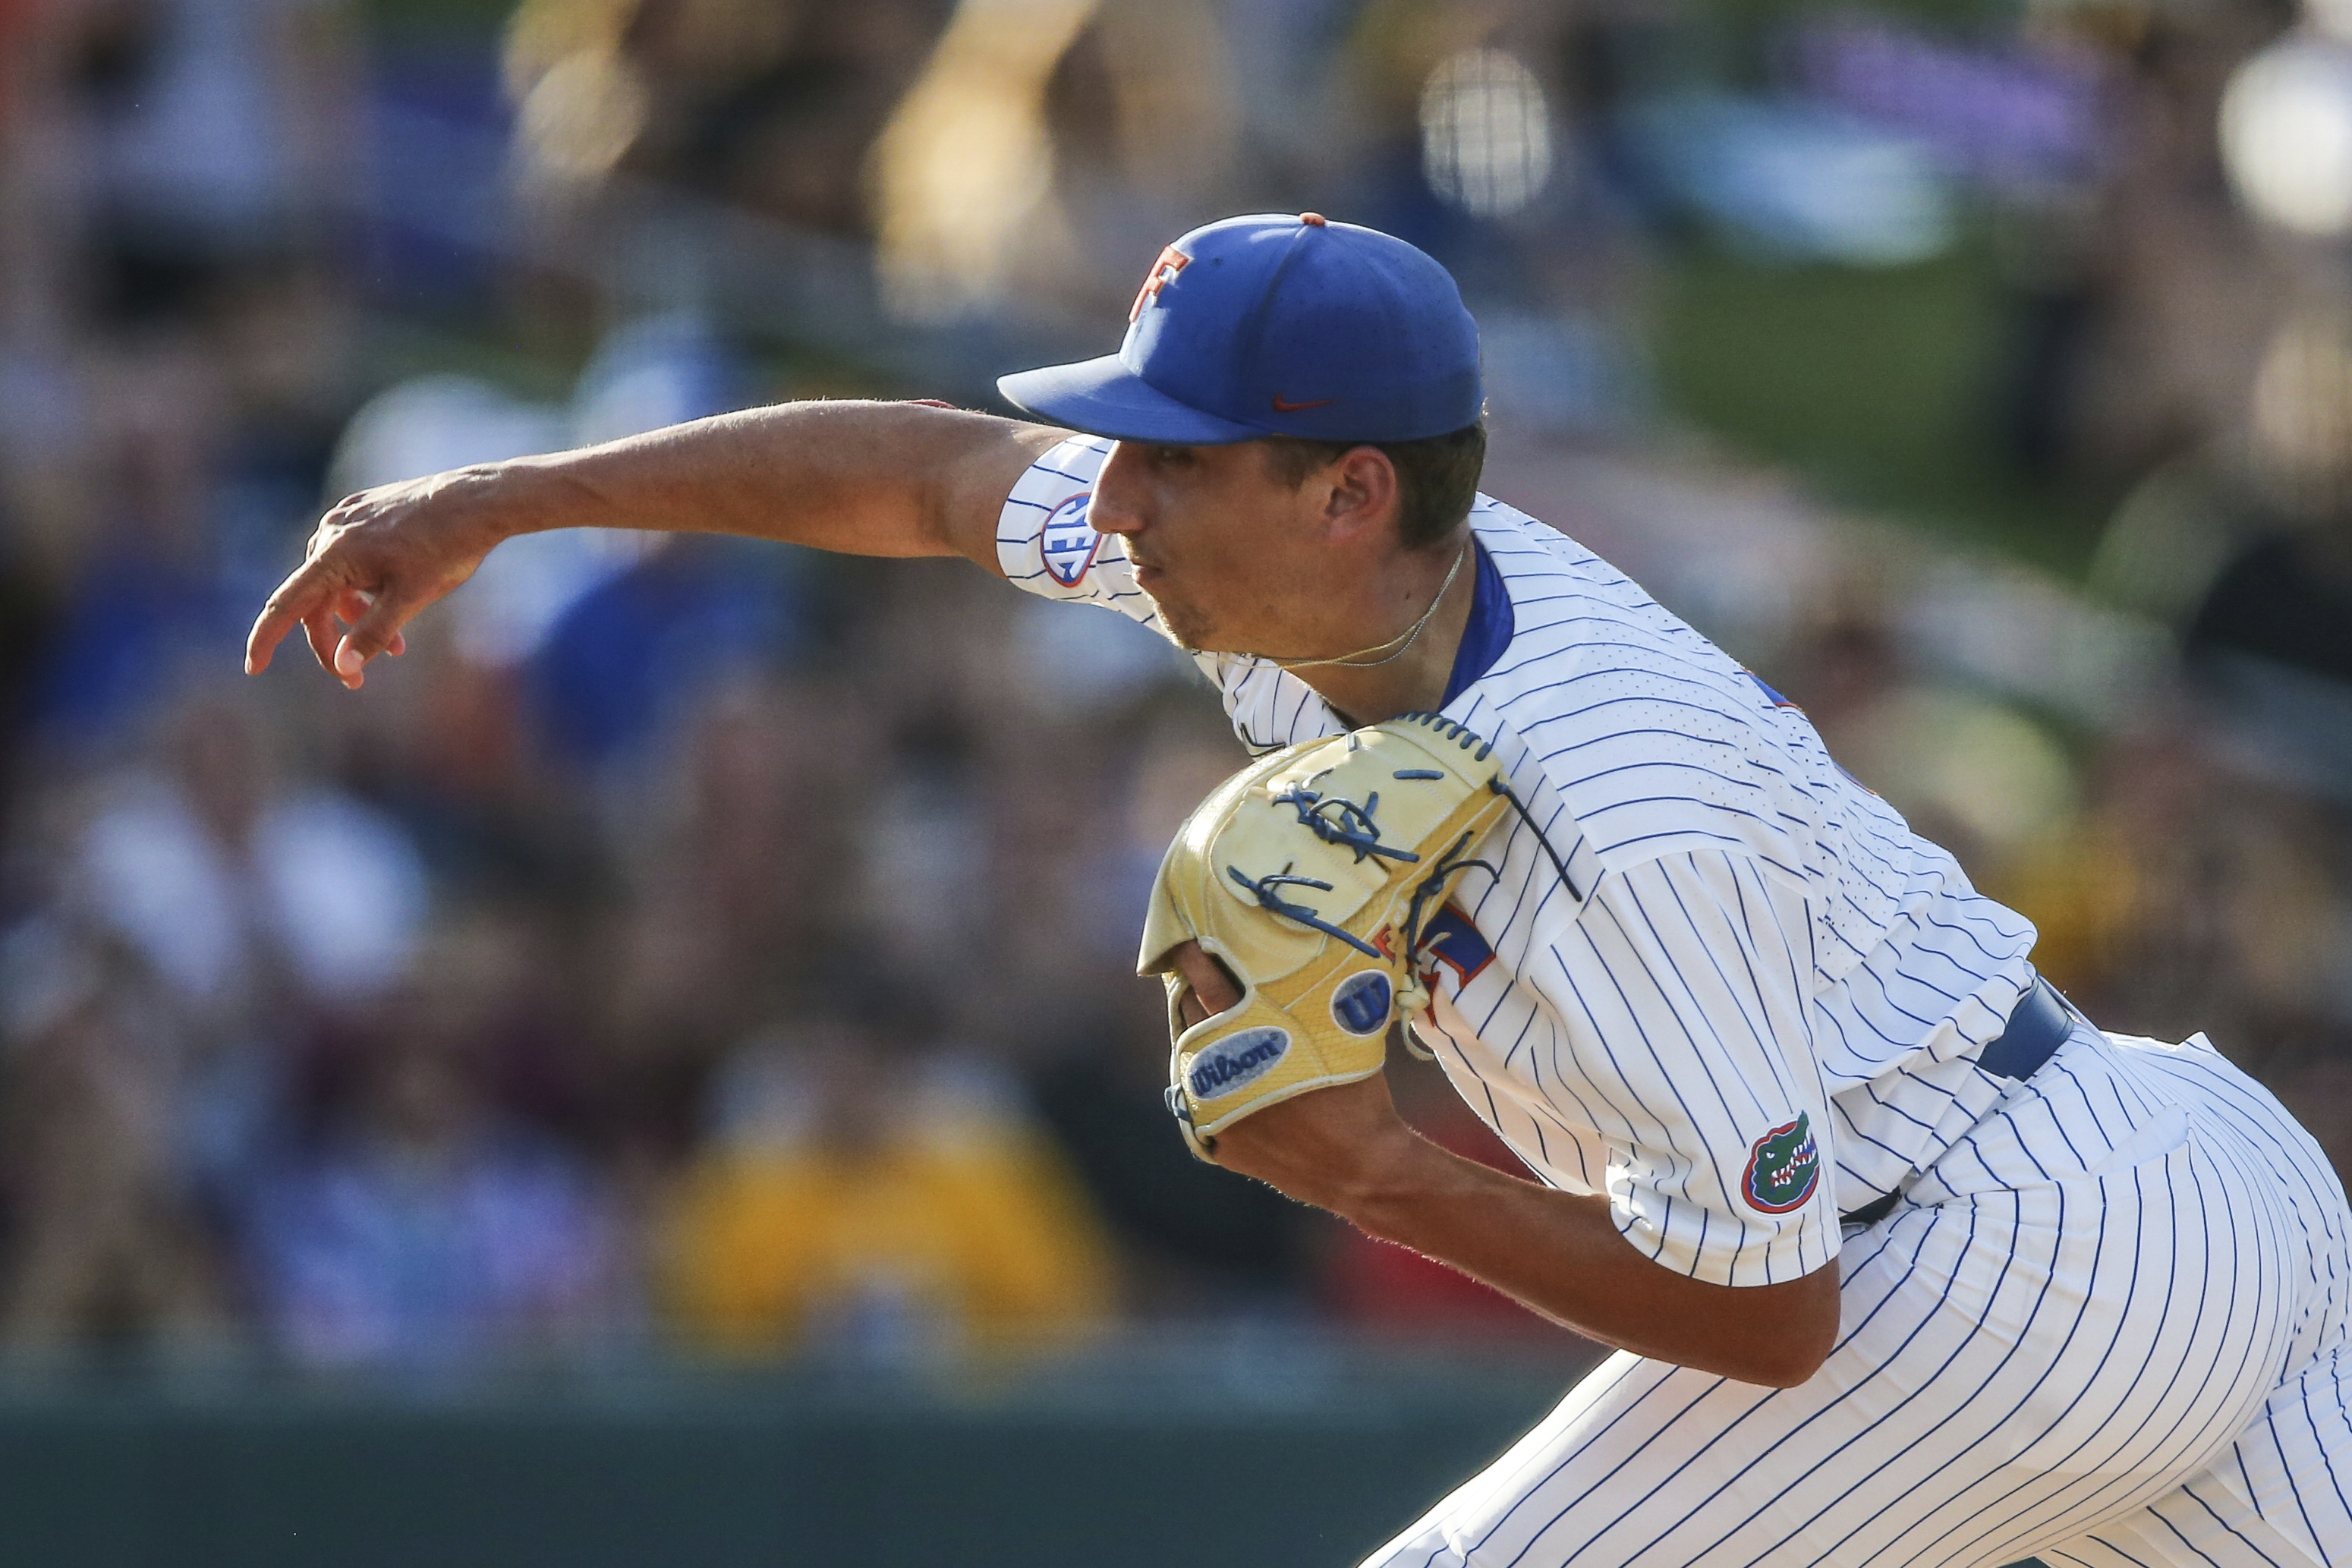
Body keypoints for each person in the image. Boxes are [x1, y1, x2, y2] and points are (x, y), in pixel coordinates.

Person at [244, 213, 2350, 1567]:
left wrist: (1374, 1170)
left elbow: (1776, 1318)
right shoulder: (1310, 586)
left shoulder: (1605, 810)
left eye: (1174, 454)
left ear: (1347, 489)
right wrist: (513, 494)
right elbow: (921, 471)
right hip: (2184, 1175)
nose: (1121, 493)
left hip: (1991, 1261)